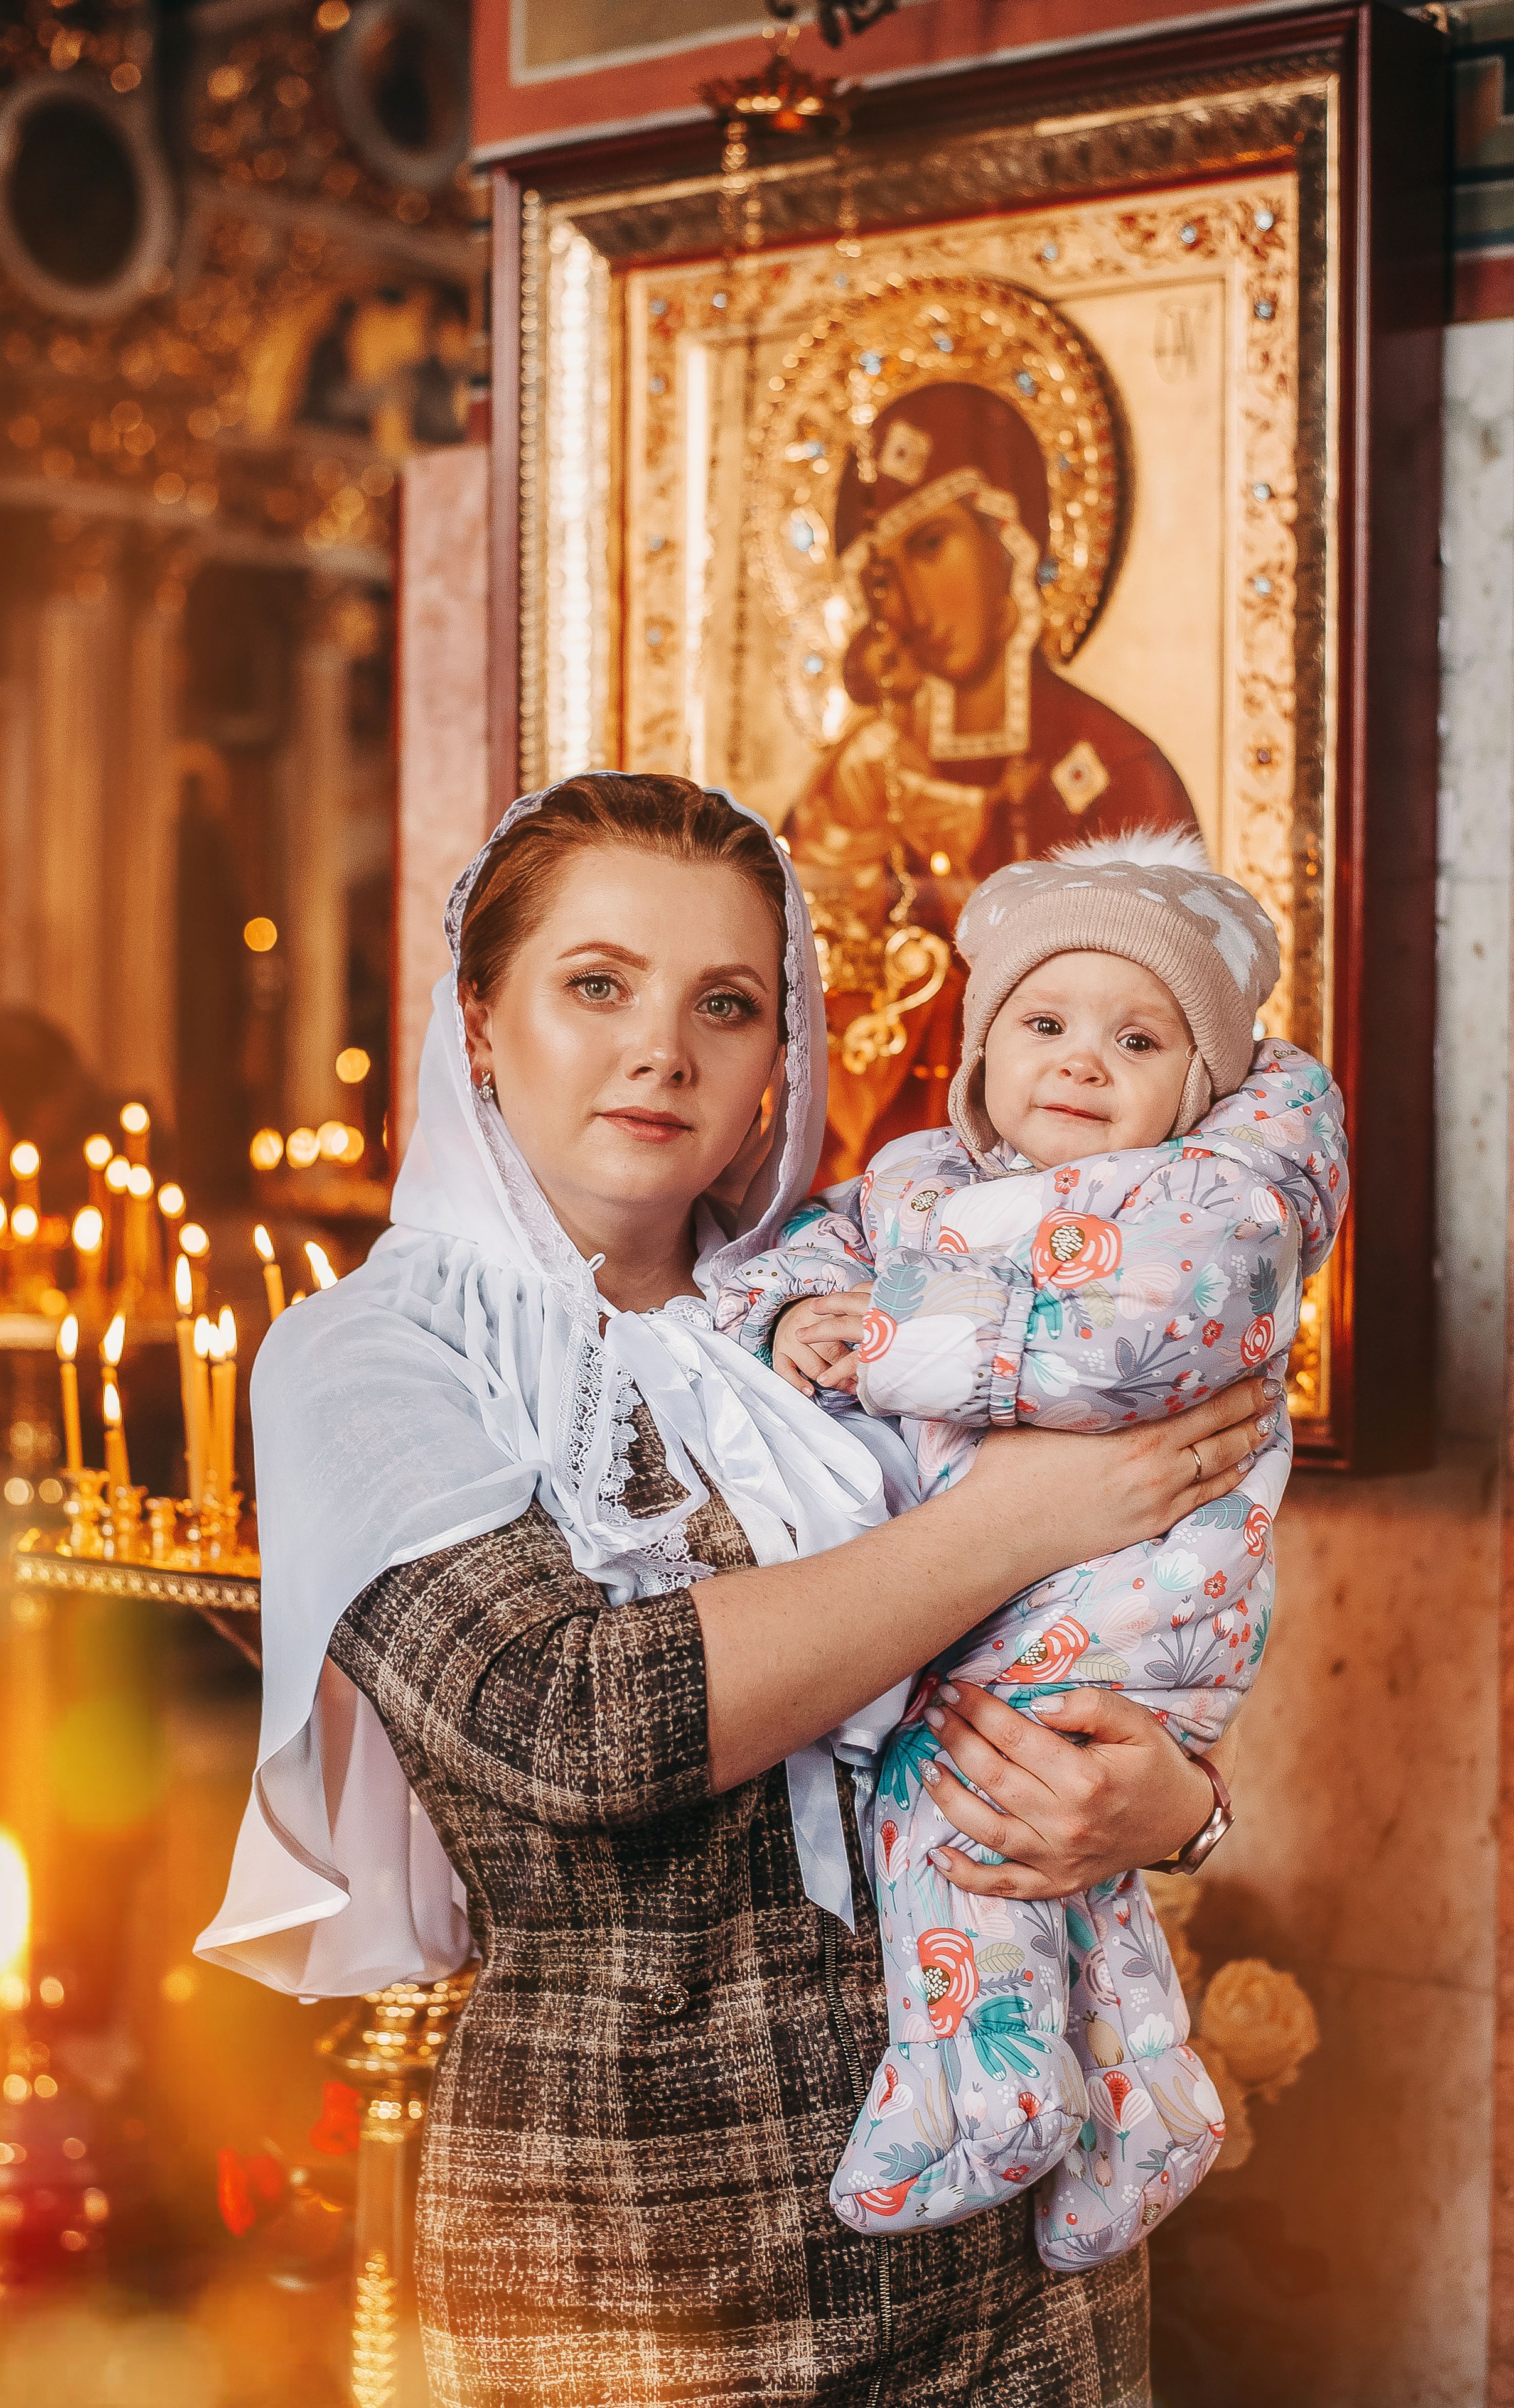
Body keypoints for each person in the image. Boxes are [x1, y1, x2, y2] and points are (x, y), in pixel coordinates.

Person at [196, 774, 1277, 2406]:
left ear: (786, 1056)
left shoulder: (883, 1290)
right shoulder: (367, 1356)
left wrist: (1175, 1806)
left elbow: (1105, 1624)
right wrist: (1023, 1511)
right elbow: (576, 1726)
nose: (663, 1050)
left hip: (1017, 2219)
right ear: (478, 1017)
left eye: (728, 1003)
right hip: (648, 2251)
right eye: (597, 984)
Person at [718, 831, 1347, 2269]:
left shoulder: (1199, 1206)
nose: (1077, 1060)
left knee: (952, 1811)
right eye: (1041, 1023)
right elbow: (804, 1251)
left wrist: (872, 1346)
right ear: (980, 1045)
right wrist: (783, 1321)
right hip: (1038, 1597)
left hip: (1126, 1605)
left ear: (1190, 1088)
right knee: (1066, 1864)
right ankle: (1140, 2101)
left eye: (1134, 1037)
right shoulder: (918, 1180)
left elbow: (1107, 1348)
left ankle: (981, 2090)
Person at [787, 381, 1201, 1183]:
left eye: (931, 544)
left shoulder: (1114, 771)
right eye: (884, 572)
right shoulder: (863, 772)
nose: (907, 601)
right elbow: (795, 975)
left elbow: (1154, 1016)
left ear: (1007, 536)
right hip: (869, 1178)